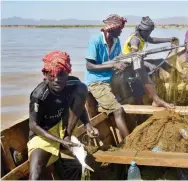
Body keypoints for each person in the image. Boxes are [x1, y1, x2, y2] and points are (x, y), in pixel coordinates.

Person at [27, 51, 99, 180]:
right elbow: (33, 125)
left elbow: (79, 107)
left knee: (82, 88)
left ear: (68, 73)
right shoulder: (39, 95)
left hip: (64, 127)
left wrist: (88, 124)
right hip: (43, 133)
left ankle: (68, 136)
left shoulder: (74, 86)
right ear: (45, 74)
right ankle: (63, 144)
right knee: (35, 174)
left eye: (61, 75)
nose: (57, 80)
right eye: (52, 75)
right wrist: (59, 141)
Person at [85, 14, 130, 138]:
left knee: (131, 96)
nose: (121, 31)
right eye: (120, 29)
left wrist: (125, 61)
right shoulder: (96, 41)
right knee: (118, 110)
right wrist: (113, 65)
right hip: (97, 82)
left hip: (111, 80)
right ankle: (130, 143)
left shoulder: (116, 41)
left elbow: (118, 58)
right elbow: (89, 66)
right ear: (111, 29)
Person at [121, 16, 179, 108]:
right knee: (150, 69)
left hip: (138, 61)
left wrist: (168, 39)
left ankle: (178, 76)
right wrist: (148, 64)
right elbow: (134, 56)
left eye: (150, 31)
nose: (149, 34)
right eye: (148, 32)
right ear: (141, 30)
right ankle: (155, 99)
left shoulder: (143, 35)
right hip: (128, 65)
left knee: (161, 61)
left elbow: (152, 40)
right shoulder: (135, 39)